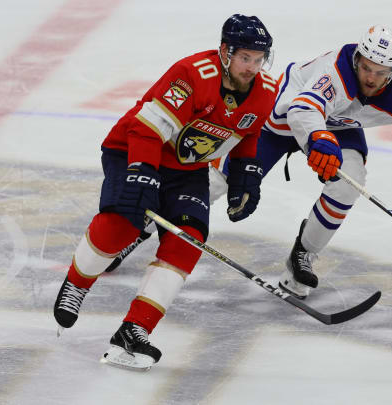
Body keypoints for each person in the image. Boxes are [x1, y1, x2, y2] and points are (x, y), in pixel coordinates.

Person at [53, 14, 277, 369]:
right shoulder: (191, 76)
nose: (252, 67)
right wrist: (141, 172)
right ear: (225, 52)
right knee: (124, 223)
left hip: (186, 169)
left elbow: (247, 134)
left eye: (258, 58)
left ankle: (134, 330)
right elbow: (145, 130)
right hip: (134, 149)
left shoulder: (265, 90)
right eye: (244, 57)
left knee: (188, 238)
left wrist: (245, 174)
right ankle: (77, 283)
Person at [210, 25, 392, 299]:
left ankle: (304, 252)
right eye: (367, 68)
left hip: (336, 125)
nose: (371, 78)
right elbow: (303, 109)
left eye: (380, 73)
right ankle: (157, 221)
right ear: (358, 58)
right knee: (222, 179)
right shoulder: (336, 70)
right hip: (282, 120)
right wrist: (318, 138)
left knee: (350, 182)